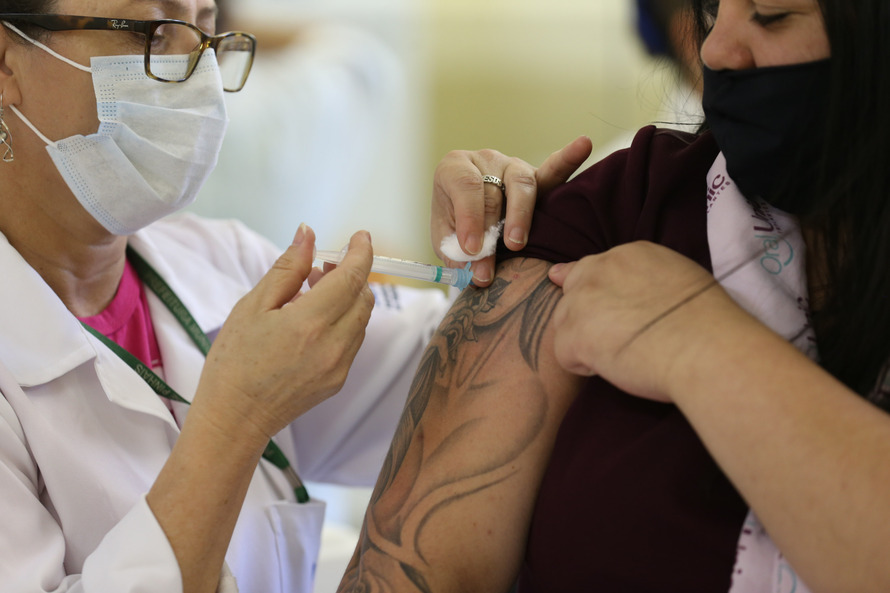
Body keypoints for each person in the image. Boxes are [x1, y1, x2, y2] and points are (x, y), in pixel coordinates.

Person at [0, 1, 592, 592]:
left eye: (203, 29)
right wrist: (235, 419)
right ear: (6, 62)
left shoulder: (219, 264)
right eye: (151, 32)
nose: (197, 74)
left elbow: (477, 378)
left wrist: (503, 243)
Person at [337, 0, 890, 592]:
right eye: (711, 8)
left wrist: (700, 342)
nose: (715, 51)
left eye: (771, 13)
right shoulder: (624, 209)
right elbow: (415, 568)